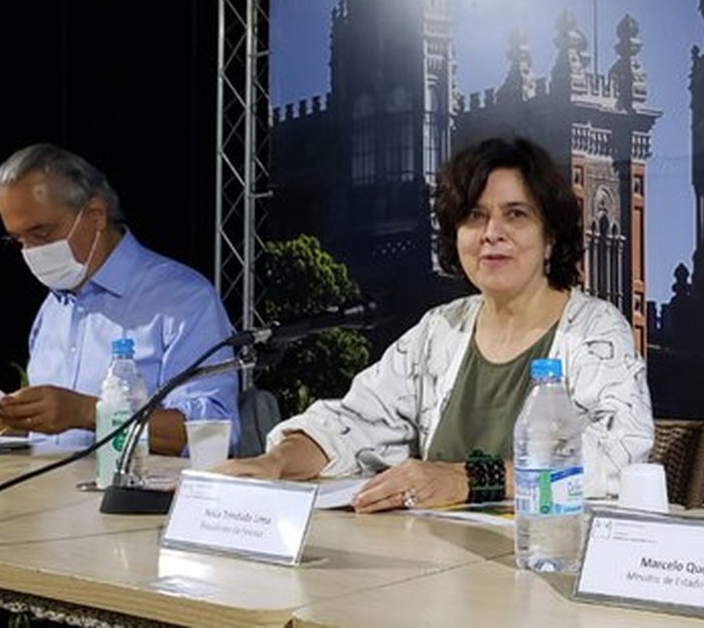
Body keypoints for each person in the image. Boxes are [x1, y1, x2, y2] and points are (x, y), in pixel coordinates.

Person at [213, 136, 655, 512]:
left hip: (546, 561)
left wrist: (466, 480)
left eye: (515, 214)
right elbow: (351, 423)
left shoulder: (594, 329)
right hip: (432, 560)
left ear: (551, 237)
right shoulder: (441, 329)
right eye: (475, 216)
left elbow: (618, 458)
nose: (492, 233)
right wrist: (275, 463)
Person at [0, 143, 240, 455]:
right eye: (18, 240)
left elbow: (213, 433)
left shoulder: (182, 299)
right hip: (43, 484)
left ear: (96, 215)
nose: (31, 251)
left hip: (135, 486)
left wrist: (87, 413)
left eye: (41, 233)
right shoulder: (52, 308)